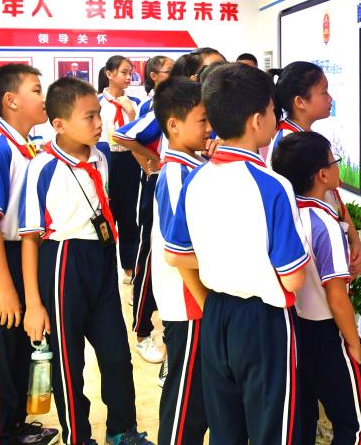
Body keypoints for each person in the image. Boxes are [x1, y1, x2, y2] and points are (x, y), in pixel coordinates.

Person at [164, 63, 309, 444]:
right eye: (273, 111)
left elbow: (176, 254)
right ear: (258, 120)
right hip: (264, 320)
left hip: (216, 313)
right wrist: (249, 261)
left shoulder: (196, 178)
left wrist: (223, 259)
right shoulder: (273, 185)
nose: (275, 118)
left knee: (226, 426)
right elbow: (293, 277)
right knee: (273, 428)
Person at [20, 77, 153, 445]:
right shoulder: (43, 166)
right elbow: (30, 237)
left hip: (102, 258)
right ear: (59, 124)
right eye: (89, 117)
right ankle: (77, 435)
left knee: (116, 355)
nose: (99, 123)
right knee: (69, 360)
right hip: (63, 261)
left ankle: (122, 430)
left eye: (99, 115)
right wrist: (33, 302)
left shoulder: (101, 157)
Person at [0, 63, 59, 444]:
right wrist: (3, 286)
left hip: (19, 255)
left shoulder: (26, 143)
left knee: (16, 348)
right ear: (11, 100)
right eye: (36, 90)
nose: (44, 97)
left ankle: (14, 425)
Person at [272, 131, 361, 445]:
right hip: (328, 333)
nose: (337, 166)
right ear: (322, 174)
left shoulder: (286, 214)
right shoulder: (324, 223)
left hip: (295, 327)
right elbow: (336, 295)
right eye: (334, 160)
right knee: (353, 421)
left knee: (303, 417)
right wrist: (353, 342)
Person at [152, 77, 211, 443]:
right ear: (173, 125)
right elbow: (179, 251)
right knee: (185, 397)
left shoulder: (194, 166)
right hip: (189, 301)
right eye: (202, 120)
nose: (209, 127)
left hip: (199, 299)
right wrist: (206, 302)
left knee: (198, 391)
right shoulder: (176, 174)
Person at [269, 61, 361, 276]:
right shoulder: (288, 144)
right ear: (300, 101)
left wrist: (354, 240)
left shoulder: (305, 138)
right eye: (324, 92)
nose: (330, 99)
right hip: (311, 256)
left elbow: (333, 194)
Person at [113, 55, 173, 365]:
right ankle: (142, 328)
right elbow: (125, 135)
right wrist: (152, 165)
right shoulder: (156, 106)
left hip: (174, 183)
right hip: (156, 183)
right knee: (147, 249)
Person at [99, 56, 141, 282]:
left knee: (129, 214)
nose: (128, 77)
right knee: (106, 213)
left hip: (129, 160)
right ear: (109, 73)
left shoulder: (135, 103)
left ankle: (129, 267)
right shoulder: (97, 102)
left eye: (130, 73)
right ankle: (104, 268)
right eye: (124, 72)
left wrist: (131, 114)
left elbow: (140, 135)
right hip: (105, 160)